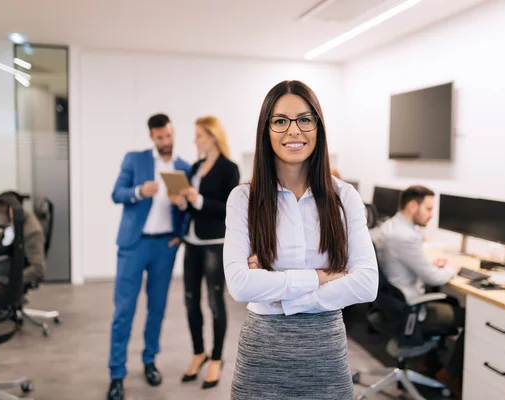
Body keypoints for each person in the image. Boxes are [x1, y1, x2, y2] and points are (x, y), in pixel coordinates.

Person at [223, 80, 379, 400]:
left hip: (326, 358)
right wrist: (322, 277)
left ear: (318, 128)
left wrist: (284, 293)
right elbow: (239, 284)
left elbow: (366, 283)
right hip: (262, 358)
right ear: (266, 130)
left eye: (305, 119)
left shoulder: (343, 196)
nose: (294, 130)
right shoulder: (243, 199)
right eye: (281, 121)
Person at [108, 113, 191, 400]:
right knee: (124, 311)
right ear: (151, 137)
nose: (166, 142)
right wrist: (139, 191)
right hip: (134, 244)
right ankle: (117, 373)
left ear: (172, 133)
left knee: (157, 308)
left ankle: (149, 361)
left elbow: (188, 209)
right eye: (160, 138)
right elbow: (116, 193)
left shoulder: (183, 167)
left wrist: (180, 223)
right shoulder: (135, 159)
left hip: (164, 248)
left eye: (169, 136)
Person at [169, 116, 240, 390]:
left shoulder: (229, 168)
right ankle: (198, 352)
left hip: (215, 242)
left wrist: (195, 198)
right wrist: (182, 201)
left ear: (212, 136)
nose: (195, 140)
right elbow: (192, 207)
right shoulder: (196, 167)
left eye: (199, 135)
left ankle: (217, 359)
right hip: (192, 241)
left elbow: (229, 208)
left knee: (214, 301)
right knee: (190, 300)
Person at [375, 185, 464, 396]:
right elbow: (432, 277)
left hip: (391, 302)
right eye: (429, 209)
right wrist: (454, 268)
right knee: (467, 317)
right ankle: (450, 374)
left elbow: (410, 262)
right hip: (409, 306)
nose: (432, 215)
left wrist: (430, 263)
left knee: (451, 303)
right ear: (412, 206)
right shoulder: (406, 235)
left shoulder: (390, 226)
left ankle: (429, 365)